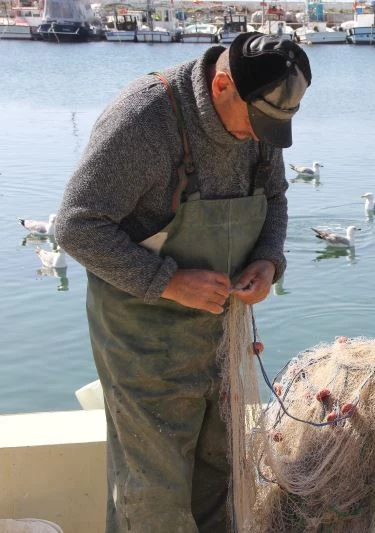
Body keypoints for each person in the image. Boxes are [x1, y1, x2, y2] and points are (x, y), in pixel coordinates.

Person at [55, 33, 311, 532]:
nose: (258, 137)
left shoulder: (261, 119)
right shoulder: (145, 120)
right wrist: (167, 281)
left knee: (220, 485)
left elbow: (275, 199)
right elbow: (75, 227)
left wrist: (268, 260)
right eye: (254, 123)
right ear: (221, 85)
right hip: (144, 348)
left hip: (221, 342)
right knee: (155, 499)